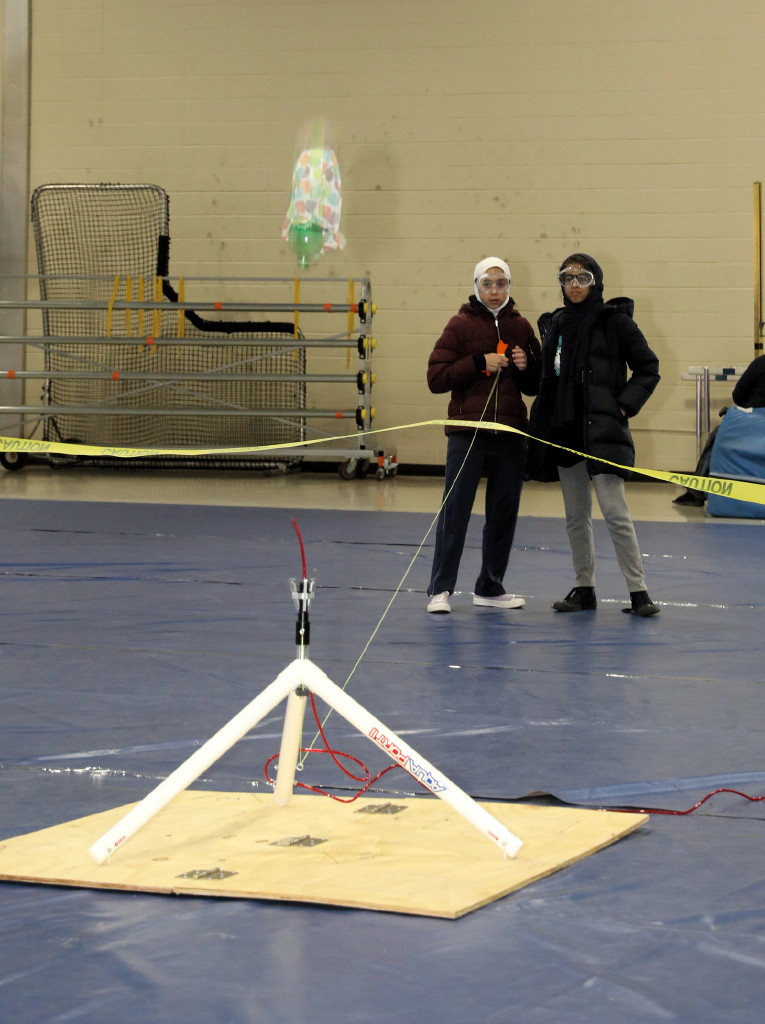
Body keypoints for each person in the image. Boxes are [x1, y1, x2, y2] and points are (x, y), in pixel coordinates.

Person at [527, 253, 661, 616]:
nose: (574, 285)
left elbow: (649, 367)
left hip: (602, 432)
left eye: (582, 278)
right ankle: (584, 588)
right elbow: (548, 378)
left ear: (595, 282)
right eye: (567, 278)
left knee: (616, 514)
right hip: (564, 432)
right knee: (576, 516)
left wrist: (622, 406)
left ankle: (639, 593)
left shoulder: (615, 322)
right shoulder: (554, 324)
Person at [425, 257, 542, 614]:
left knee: (503, 513)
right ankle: (440, 589)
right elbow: (436, 378)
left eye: (501, 284)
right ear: (475, 286)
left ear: (510, 287)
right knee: (455, 511)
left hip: (508, 434)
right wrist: (479, 362)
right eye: (487, 284)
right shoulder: (459, 325)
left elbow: (535, 386)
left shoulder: (521, 327)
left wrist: (526, 367)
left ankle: (490, 587)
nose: (494, 291)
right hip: (467, 433)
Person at [674, 354, 765, 506]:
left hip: (751, 423)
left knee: (718, 433)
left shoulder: (761, 363)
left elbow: (738, 395)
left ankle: (696, 492)